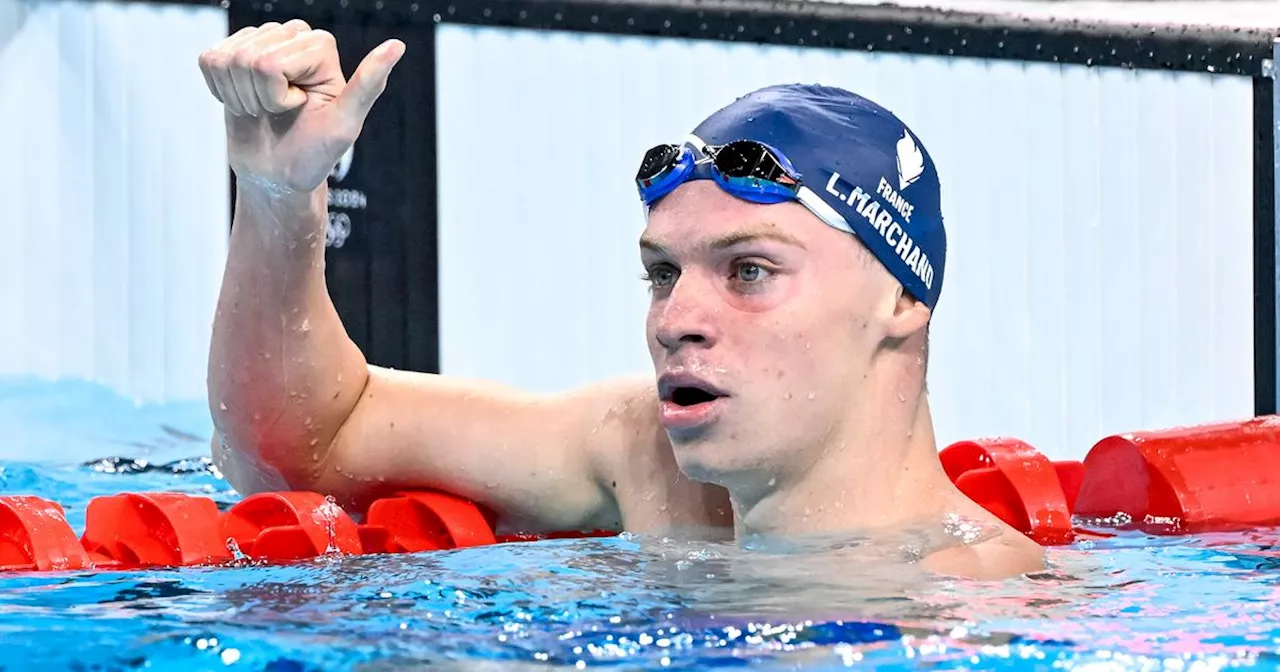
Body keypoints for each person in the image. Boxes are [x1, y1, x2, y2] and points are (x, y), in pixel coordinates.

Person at [198, 20, 1045, 580]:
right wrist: (277, 196)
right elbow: (302, 443)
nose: (675, 321)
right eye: (663, 273)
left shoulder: (969, 618)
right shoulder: (642, 458)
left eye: (748, 271)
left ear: (901, 299)